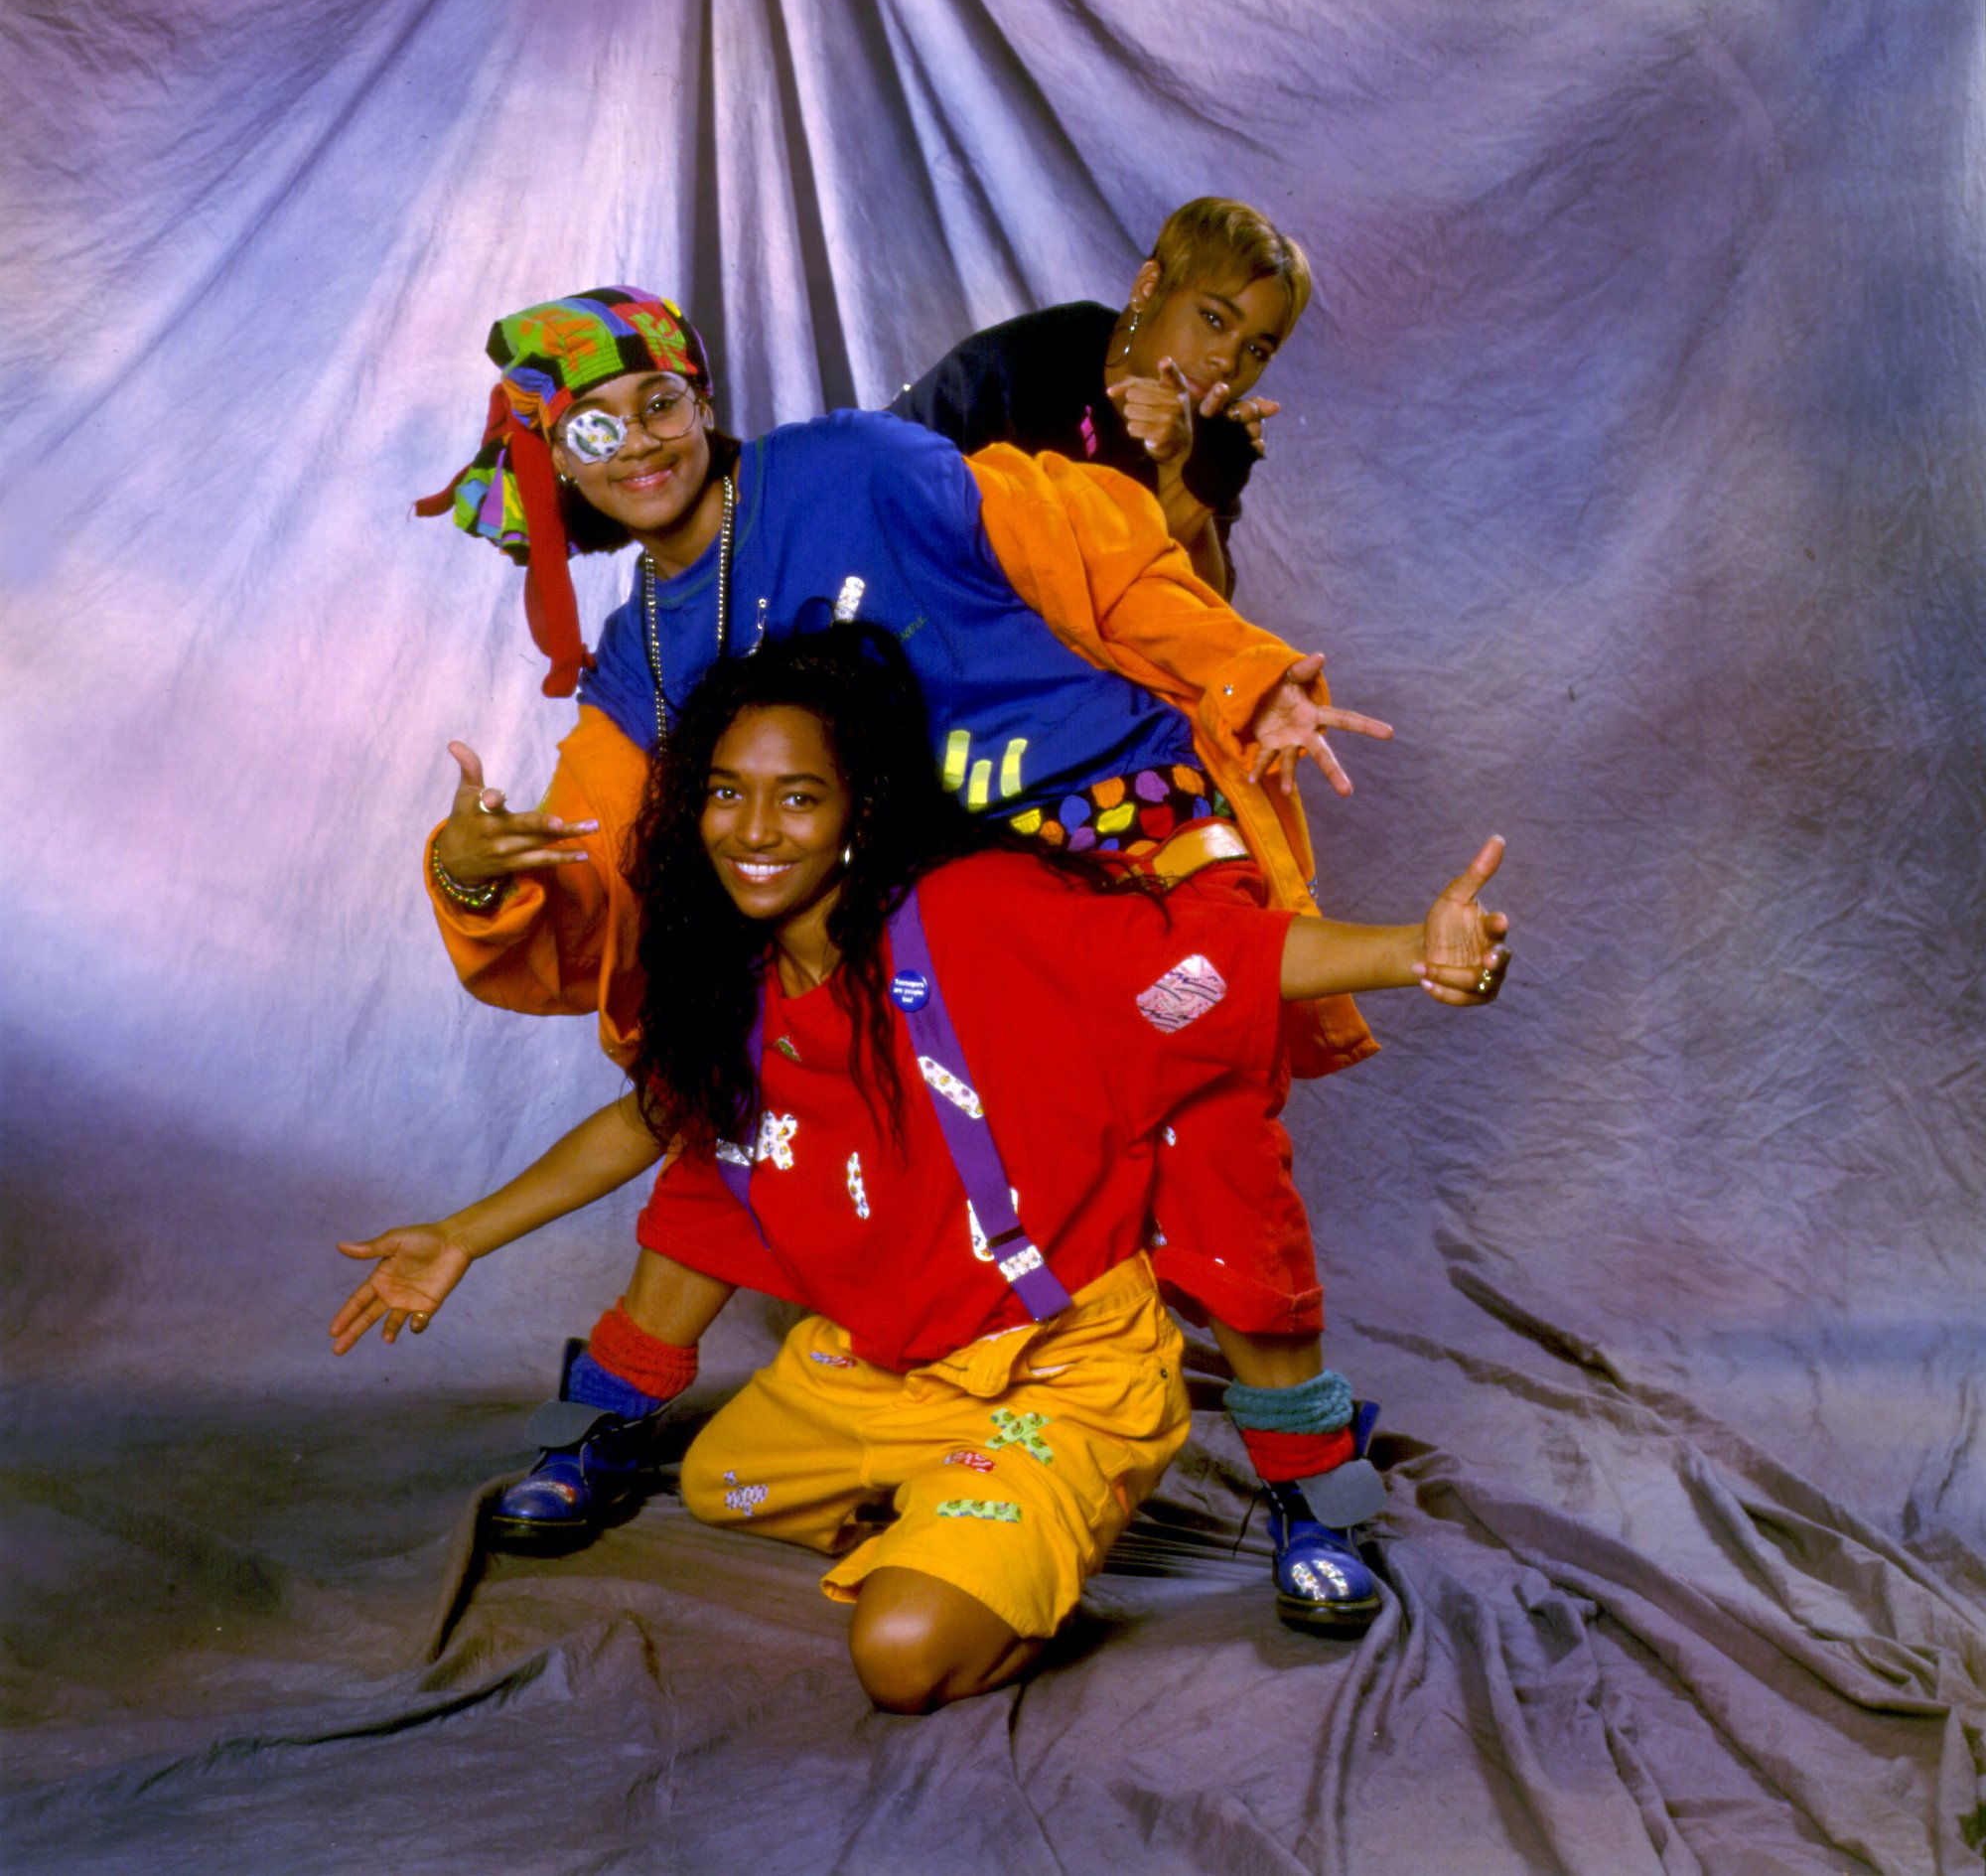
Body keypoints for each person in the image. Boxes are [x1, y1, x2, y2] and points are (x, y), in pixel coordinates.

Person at [413, 285, 1397, 1628]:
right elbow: (587, 878)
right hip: (939, 910)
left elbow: (1081, 540)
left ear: (705, 400)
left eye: (661, 403)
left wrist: (1240, 667)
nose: (641, 443)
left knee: (1214, 1130)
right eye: (595, 428)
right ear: (558, 464)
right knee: (748, 1090)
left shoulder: (855, 466)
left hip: (1120, 829)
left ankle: (1309, 1474)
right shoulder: (638, 660)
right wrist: (477, 878)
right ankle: (618, 1409)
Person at [337, 627, 1511, 1710]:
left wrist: (1415, 950)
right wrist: (464, 1234)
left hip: (1053, 1367)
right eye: (726, 794)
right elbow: (650, 1118)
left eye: (796, 798)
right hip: (889, 1367)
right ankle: (967, 1502)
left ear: (860, 808)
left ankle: (1034, 1505)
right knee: (723, 1478)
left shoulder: (971, 910)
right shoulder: (736, 964)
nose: (753, 831)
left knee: (900, 1655)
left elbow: (1217, 960)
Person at [888, 197, 1309, 597]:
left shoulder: (1212, 435)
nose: (1228, 361)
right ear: (1148, 287)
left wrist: (1195, 478)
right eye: (1214, 319)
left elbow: (1194, 615)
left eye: (1256, 350)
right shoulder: (1031, 363)